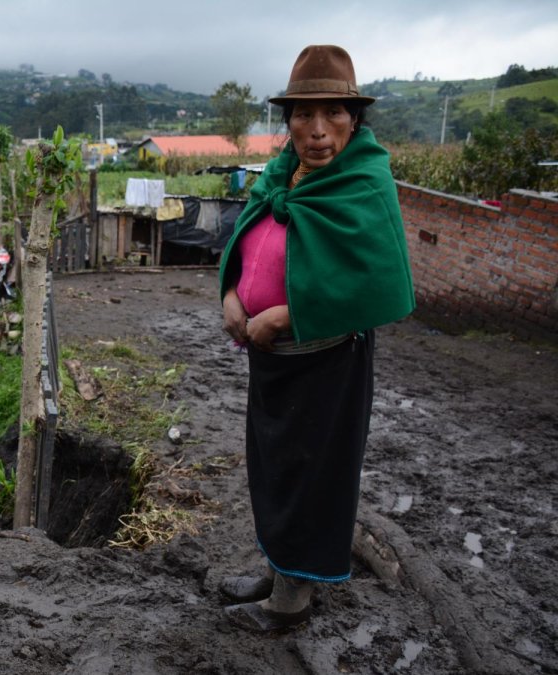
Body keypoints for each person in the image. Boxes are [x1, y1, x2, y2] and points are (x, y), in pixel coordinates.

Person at [216, 45, 415, 632]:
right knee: (274, 469)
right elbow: (246, 240)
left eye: (333, 114)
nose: (318, 130)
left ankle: (291, 603)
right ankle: (282, 568)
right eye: (303, 114)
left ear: (355, 118)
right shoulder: (283, 173)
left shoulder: (363, 183)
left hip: (326, 365)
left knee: (311, 476)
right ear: (288, 121)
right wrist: (232, 294)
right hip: (273, 365)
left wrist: (285, 314)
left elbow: (373, 282)